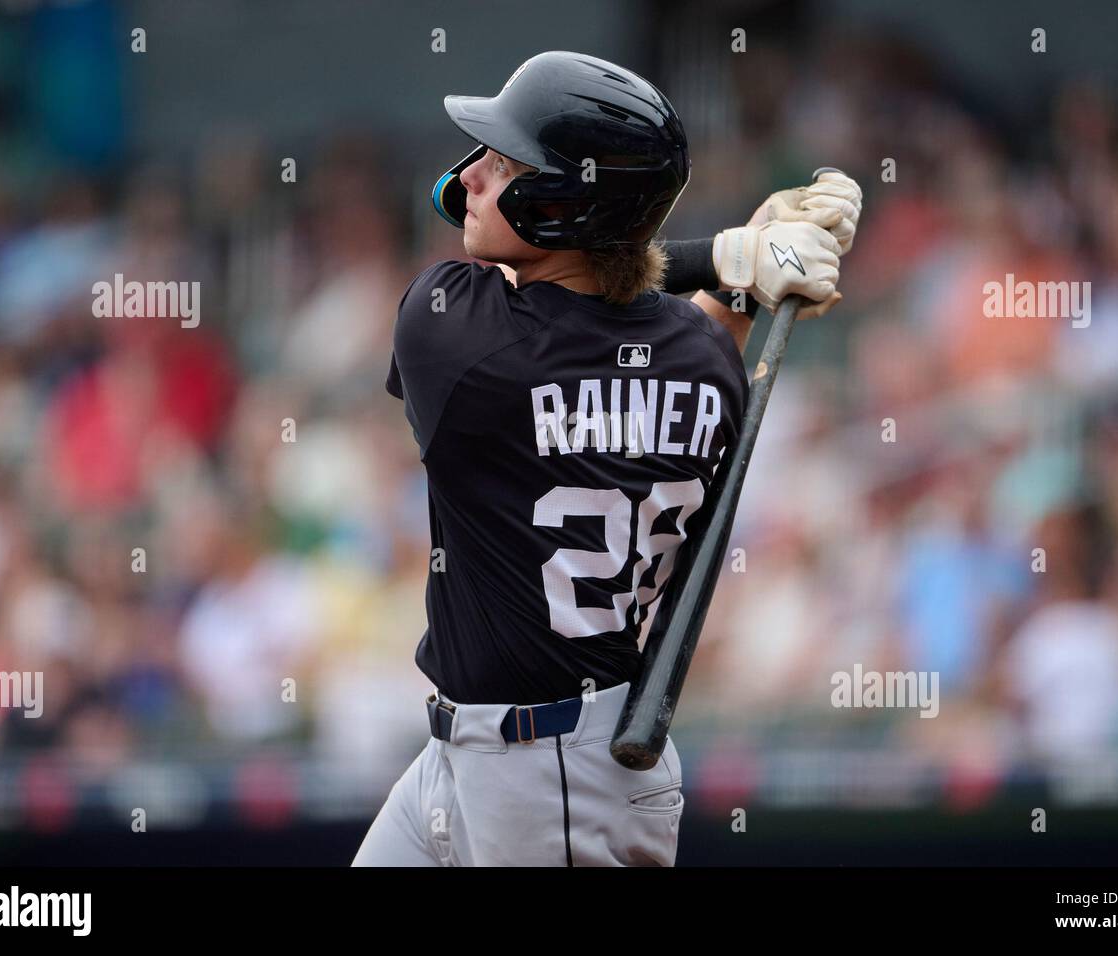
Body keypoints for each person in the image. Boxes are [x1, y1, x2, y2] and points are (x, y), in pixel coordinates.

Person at [352, 50, 861, 866]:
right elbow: (654, 333)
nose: (475, 176)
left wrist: (735, 257)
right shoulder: (699, 354)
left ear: (559, 204)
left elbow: (593, 327)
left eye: (506, 163)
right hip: (503, 753)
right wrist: (744, 265)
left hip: (548, 779)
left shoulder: (454, 338)